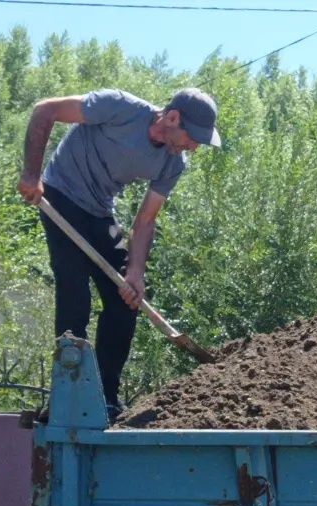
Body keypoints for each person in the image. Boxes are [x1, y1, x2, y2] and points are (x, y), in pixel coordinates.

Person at [18, 88, 221, 413]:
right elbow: (45, 110)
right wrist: (31, 174)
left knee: (127, 298)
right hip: (60, 194)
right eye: (192, 137)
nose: (193, 147)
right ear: (172, 117)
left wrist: (135, 272)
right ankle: (68, 397)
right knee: (74, 294)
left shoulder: (172, 163)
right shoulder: (119, 108)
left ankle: (106, 399)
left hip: (99, 211)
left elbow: (145, 220)